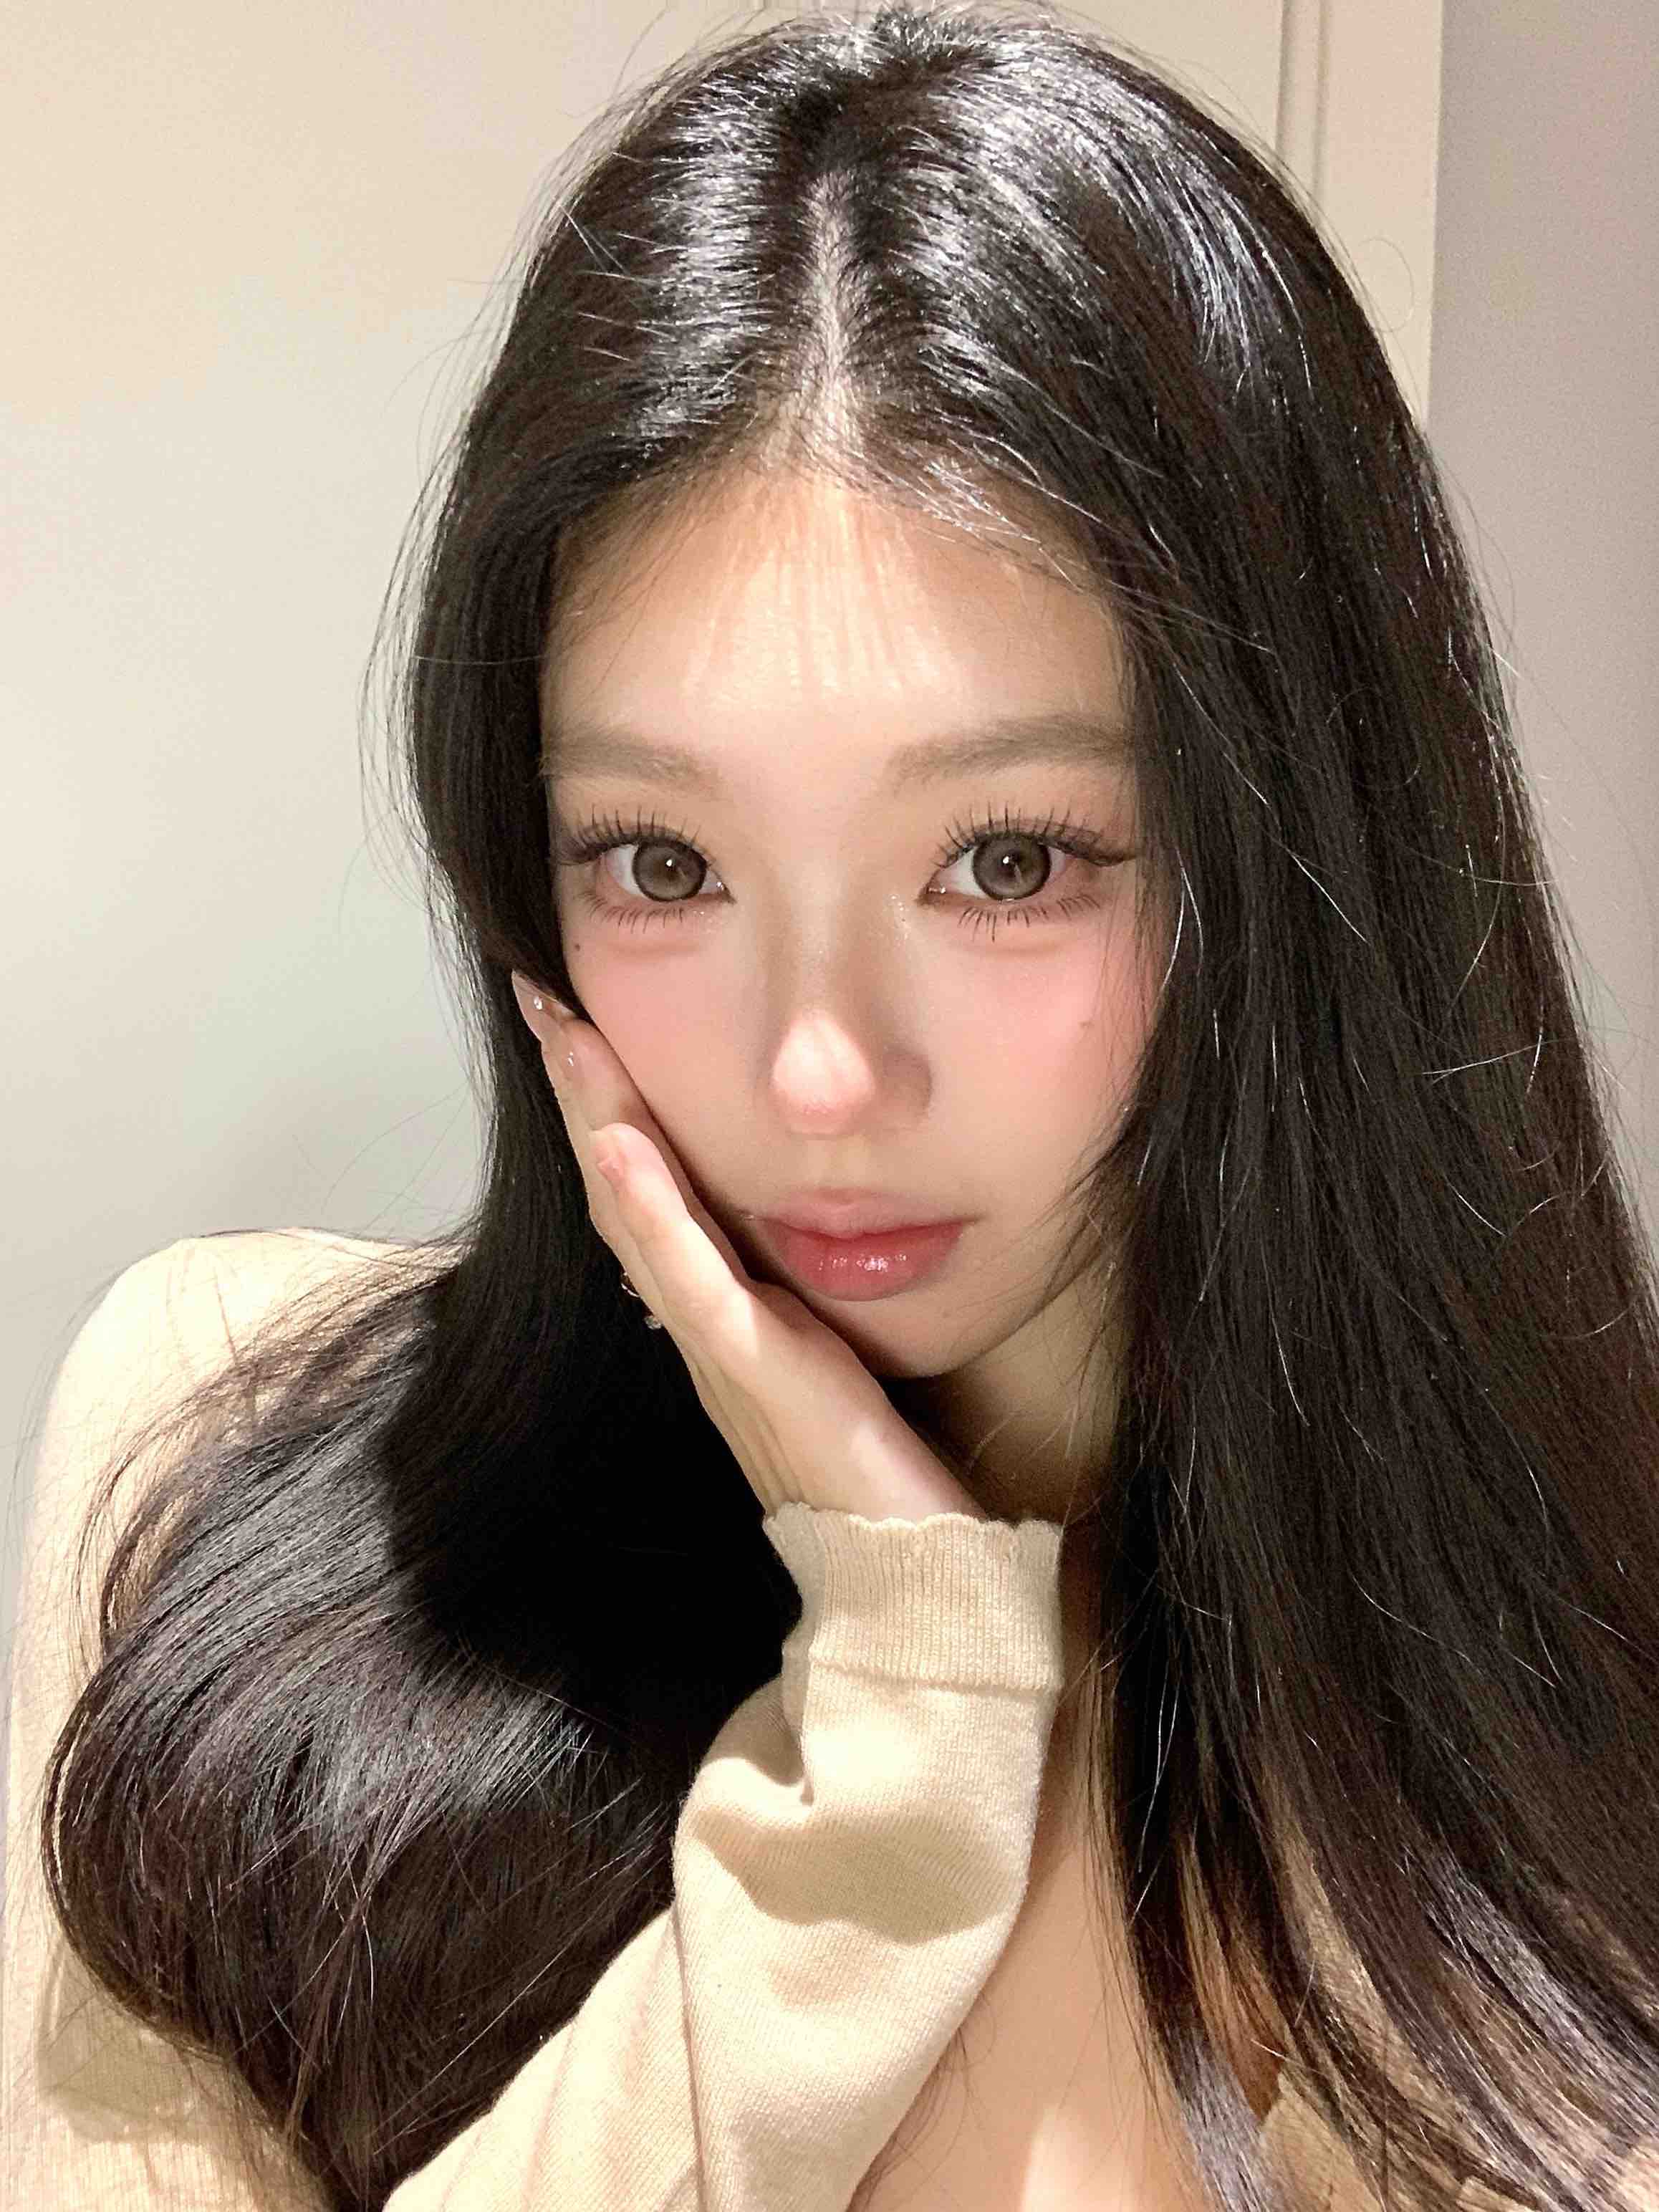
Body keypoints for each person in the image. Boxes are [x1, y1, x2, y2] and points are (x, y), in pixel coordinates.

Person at [7, 4, 1659, 2208]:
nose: (814, 1071)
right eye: (660, 863)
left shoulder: (1557, 1752)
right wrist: (894, 1720)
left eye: (1008, 860)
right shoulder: (216, 1450)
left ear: (1293, 855)